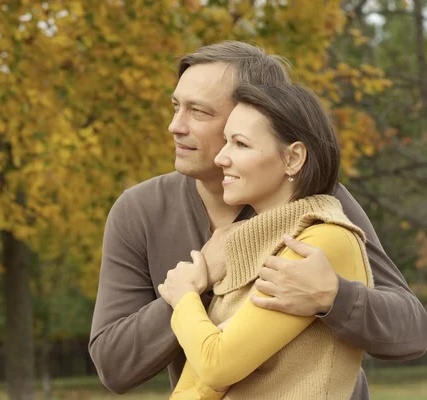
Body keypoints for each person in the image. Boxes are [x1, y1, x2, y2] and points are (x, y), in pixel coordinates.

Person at [88, 41, 427, 399]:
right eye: (176, 107)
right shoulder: (139, 211)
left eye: (198, 112)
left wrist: (333, 299)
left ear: (254, 113)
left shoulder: (318, 204)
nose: (175, 125)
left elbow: (412, 331)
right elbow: (114, 365)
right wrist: (199, 282)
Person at [159, 82, 372, 399]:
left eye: (240, 144)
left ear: (293, 158)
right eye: (226, 142)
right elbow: (200, 383)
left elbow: (217, 365)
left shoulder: (321, 241)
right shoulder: (256, 241)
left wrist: (185, 297)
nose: (221, 158)